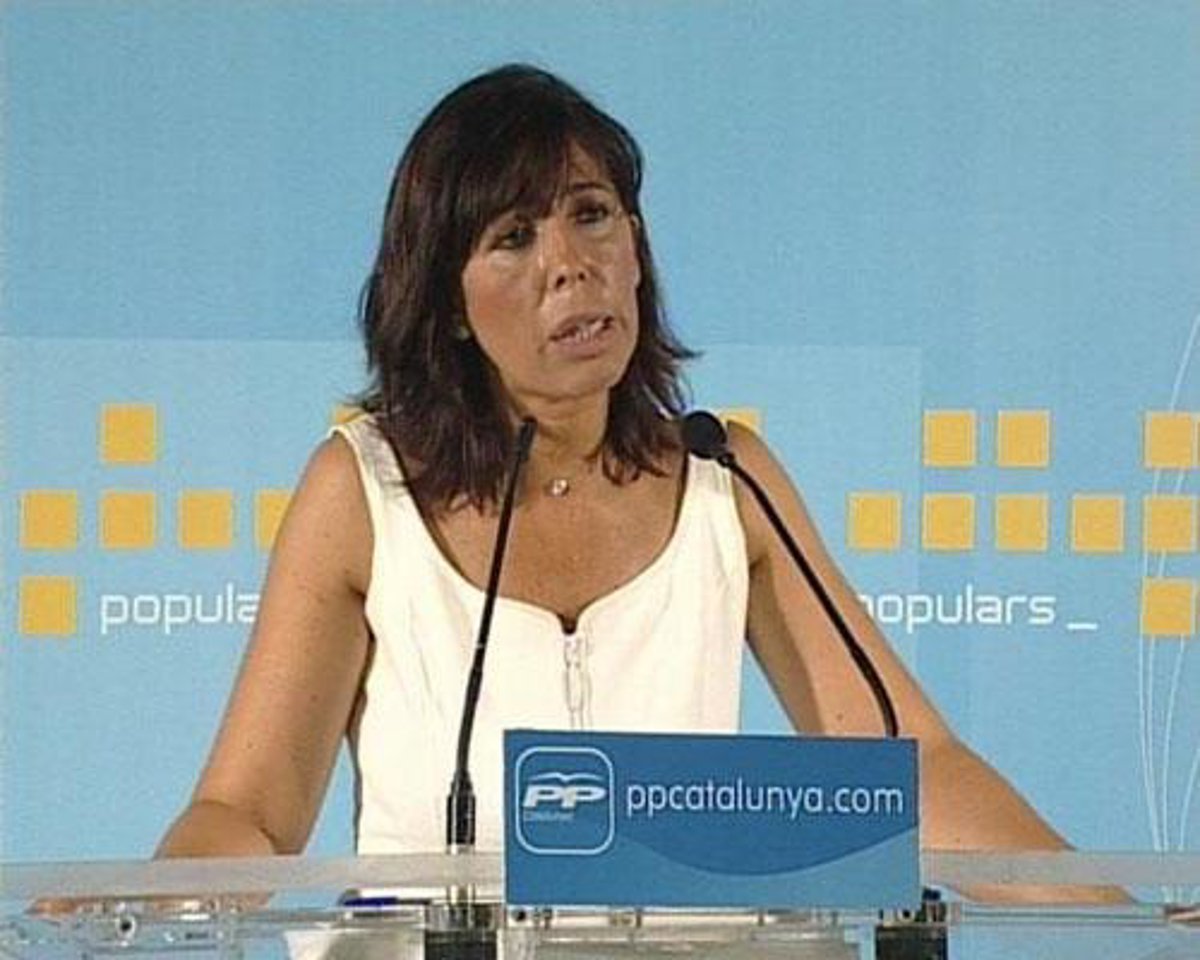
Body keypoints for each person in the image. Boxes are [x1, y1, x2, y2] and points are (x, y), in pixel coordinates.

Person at [157, 64, 1100, 903]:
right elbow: (249, 813)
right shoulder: (364, 492)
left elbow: (910, 767)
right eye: (513, 236)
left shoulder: (726, 479)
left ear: (636, 250)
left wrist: (1125, 918)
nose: (570, 265)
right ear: (448, 304)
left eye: (591, 214)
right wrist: (149, 908)